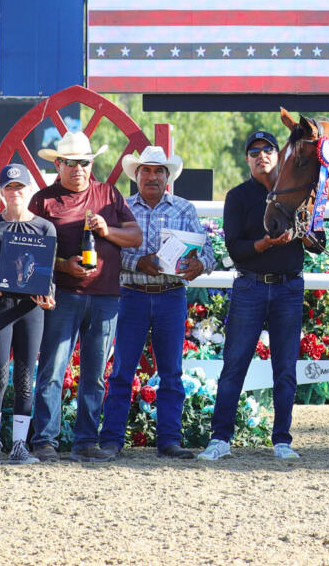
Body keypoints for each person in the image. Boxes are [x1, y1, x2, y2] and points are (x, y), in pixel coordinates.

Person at [27, 131, 143, 462]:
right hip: (63, 294)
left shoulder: (108, 194)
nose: (78, 169)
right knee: (52, 369)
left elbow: (135, 237)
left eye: (84, 163)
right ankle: (45, 440)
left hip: (106, 296)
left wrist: (107, 230)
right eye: (70, 163)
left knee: (94, 374)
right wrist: (64, 265)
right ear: (58, 164)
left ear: (92, 163)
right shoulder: (44, 200)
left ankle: (86, 440)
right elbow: (31, 251)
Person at [200, 129, 310, 462]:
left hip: (289, 286)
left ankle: (282, 440)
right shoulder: (237, 196)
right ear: (247, 159)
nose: (261, 155)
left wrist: (305, 234)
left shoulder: (301, 193)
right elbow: (234, 248)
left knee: (286, 368)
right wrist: (264, 244)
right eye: (254, 152)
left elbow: (318, 243)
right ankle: (220, 439)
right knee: (234, 365)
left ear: (279, 156)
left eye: (268, 150)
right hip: (250, 285)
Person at [99, 145, 214, 460]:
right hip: (132, 294)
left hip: (169, 295)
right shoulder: (121, 208)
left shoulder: (184, 209)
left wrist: (199, 265)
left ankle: (169, 440)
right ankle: (112, 440)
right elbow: (109, 251)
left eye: (158, 171)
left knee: (171, 372)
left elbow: (208, 252)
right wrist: (139, 263)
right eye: (146, 170)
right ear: (137, 175)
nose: (152, 176)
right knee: (122, 370)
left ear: (168, 176)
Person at [0, 163, 56, 464]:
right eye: (9, 188)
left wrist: (49, 295)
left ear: (30, 191)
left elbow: (48, 274)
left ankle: (20, 445)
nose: (15, 193)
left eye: (20, 187)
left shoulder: (44, 228)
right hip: (0, 306)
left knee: (25, 377)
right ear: (1, 192)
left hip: (30, 309)